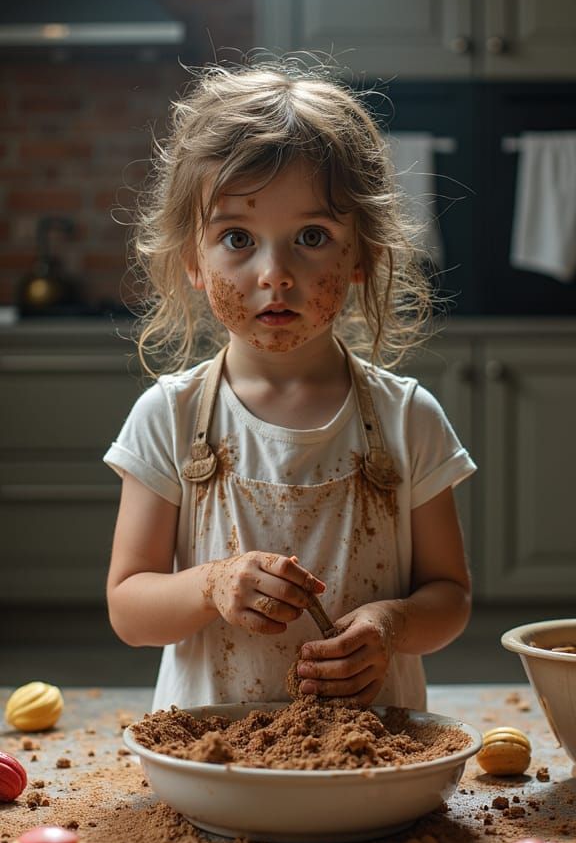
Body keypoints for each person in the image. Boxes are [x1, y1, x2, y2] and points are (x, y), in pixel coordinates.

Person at [104, 60, 476, 713]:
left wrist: (390, 625)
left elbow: (449, 597)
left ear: (359, 254)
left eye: (311, 237)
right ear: (193, 259)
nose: (274, 274)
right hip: (213, 761)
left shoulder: (407, 417)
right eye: (238, 239)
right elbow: (130, 608)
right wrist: (211, 583)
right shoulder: (170, 415)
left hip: (371, 758)